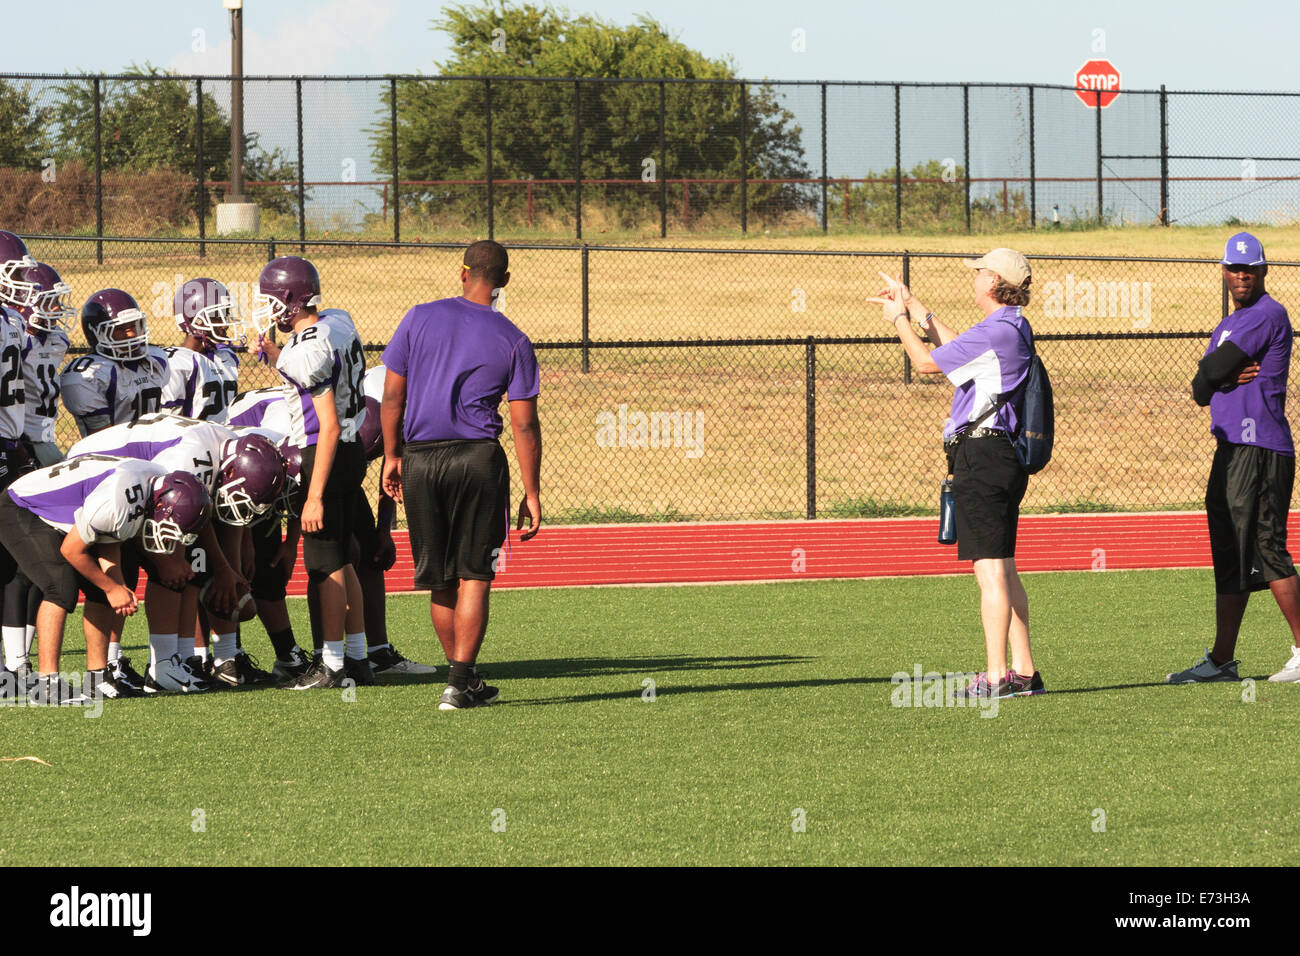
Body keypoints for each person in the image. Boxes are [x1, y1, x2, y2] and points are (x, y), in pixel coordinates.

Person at [869, 248, 1043, 698]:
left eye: (980, 272)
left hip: (983, 456)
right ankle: (1023, 672)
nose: (975, 278)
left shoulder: (997, 331)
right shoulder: (1009, 326)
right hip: (999, 457)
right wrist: (913, 304)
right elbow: (958, 347)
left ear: (994, 281)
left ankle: (997, 677)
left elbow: (928, 363)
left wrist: (898, 321)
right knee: (1004, 568)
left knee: (990, 572)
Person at [381, 239, 541, 710]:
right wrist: (532, 492)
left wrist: (392, 456)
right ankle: (461, 680)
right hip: (477, 458)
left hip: (420, 458)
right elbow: (524, 423)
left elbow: (392, 397)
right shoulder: (513, 338)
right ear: (504, 281)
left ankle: (460, 678)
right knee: (475, 573)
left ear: (462, 271)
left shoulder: (418, 317)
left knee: (440, 578)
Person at [1169, 232, 1300, 684]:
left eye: (1250, 268)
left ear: (1264, 271)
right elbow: (1201, 387)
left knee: (1266, 546)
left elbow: (1208, 373)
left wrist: (1213, 377)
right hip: (1231, 447)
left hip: (1260, 446)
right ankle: (1222, 660)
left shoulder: (1268, 313)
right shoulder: (1229, 324)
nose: (1241, 276)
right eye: (1234, 268)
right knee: (1230, 554)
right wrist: (1215, 378)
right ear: (1224, 272)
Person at [250, 255, 371, 690]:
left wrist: (314, 494)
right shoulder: (338, 321)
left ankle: (333, 664)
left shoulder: (308, 350)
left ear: (288, 300)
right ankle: (357, 657)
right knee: (342, 559)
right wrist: (275, 354)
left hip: (325, 452)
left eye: (270, 301)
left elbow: (327, 422)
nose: (266, 310)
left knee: (325, 566)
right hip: (350, 449)